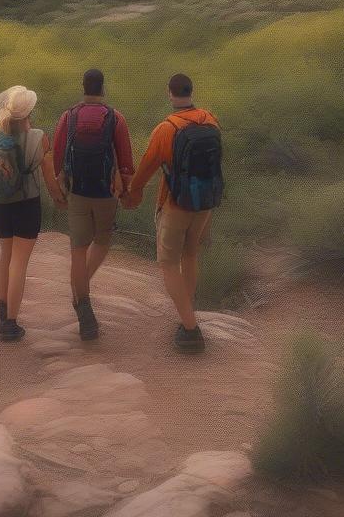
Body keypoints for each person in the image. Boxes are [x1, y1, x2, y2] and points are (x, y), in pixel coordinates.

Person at [122, 73, 223, 353]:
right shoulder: (210, 120)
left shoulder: (166, 129)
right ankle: (185, 314)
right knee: (190, 254)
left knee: (168, 264)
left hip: (176, 204)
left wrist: (134, 191)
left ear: (170, 93)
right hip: (205, 202)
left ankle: (191, 329)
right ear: (191, 91)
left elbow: (147, 166)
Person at [53, 68, 135, 339]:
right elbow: (125, 161)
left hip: (77, 192)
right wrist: (126, 190)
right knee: (101, 243)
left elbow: (57, 155)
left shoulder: (69, 117)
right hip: (105, 194)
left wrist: (61, 188)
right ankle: (81, 290)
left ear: (83, 87)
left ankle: (84, 310)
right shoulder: (115, 118)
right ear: (103, 88)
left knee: (78, 250)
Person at [0, 85, 67, 342]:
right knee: (19, 262)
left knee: (5, 256)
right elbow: (49, 175)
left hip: (0, 205)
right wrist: (59, 198)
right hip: (26, 205)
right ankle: (10, 323)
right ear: (29, 111)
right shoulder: (39, 137)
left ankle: (0, 313)